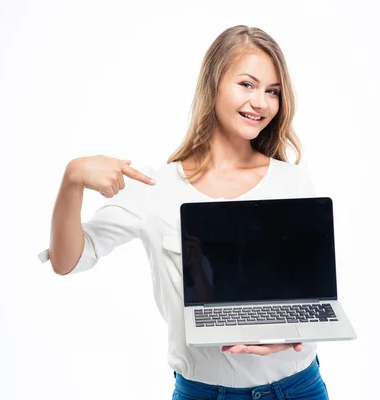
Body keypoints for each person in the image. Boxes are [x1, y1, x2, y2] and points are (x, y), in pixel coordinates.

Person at [39, 25, 329, 400]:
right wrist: (72, 179)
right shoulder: (156, 189)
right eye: (247, 84)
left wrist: (290, 337)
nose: (261, 102)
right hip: (204, 392)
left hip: (297, 387)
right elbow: (67, 261)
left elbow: (313, 298)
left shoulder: (293, 182)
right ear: (213, 84)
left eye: (272, 91)